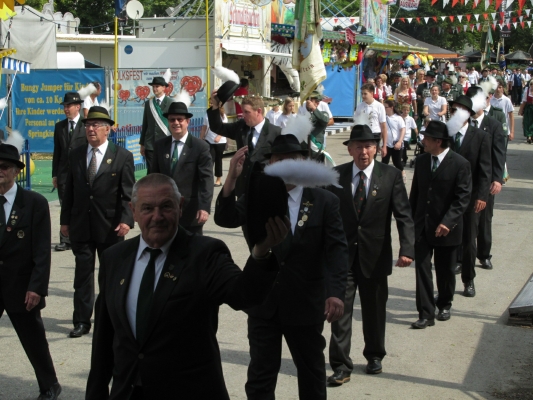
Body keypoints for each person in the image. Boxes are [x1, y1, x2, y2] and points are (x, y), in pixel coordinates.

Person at [86, 173, 289, 399]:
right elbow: (104, 339)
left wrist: (261, 253)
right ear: (133, 211)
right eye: (147, 208)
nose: (157, 216)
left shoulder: (205, 253)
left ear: (180, 206)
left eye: (166, 206)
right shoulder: (114, 258)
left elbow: (243, 294)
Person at [215, 135, 349, 399]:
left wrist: (335, 293)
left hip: (306, 303)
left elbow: (336, 251)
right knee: (261, 376)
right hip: (264, 302)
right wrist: (231, 178)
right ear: (271, 165)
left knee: (311, 373)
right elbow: (225, 218)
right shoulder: (256, 198)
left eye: (293, 160)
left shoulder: (325, 201)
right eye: (279, 160)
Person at [327, 124, 414, 385]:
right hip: (342, 258)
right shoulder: (336, 176)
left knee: (374, 310)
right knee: (339, 312)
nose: (363, 152)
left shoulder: (390, 175)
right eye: (358, 147)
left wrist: (407, 249)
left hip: (375, 256)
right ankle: (341, 365)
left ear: (376, 149)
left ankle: (374, 355)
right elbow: (326, 216)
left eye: (368, 146)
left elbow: (403, 215)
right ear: (350, 150)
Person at [60, 106, 135, 338]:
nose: (90, 129)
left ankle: (111, 318)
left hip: (110, 226)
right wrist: (65, 221)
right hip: (81, 224)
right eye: (88, 125)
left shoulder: (122, 156)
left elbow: (128, 193)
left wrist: (127, 220)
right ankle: (82, 320)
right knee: (82, 275)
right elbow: (70, 190)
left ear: (107, 129)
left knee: (111, 276)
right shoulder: (76, 154)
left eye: (95, 125)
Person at [0, 143, 62, 400]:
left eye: (5, 167)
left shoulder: (34, 203)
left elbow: (42, 251)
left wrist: (37, 287)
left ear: (16, 171)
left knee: (33, 340)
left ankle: (50, 385)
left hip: (21, 286)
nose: (0, 171)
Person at [410, 121, 472, 329]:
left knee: (445, 271)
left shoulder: (460, 164)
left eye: (427, 138)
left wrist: (448, 222)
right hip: (423, 226)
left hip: (447, 229)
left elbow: (462, 198)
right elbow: (416, 194)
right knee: (422, 270)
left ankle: (444, 303)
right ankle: (425, 313)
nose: (423, 141)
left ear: (438, 141)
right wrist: (410, 223)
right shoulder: (421, 161)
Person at [448, 96, 492, 297]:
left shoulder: (480, 136)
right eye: (453, 110)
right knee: (447, 243)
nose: (456, 114)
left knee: (468, 241)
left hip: (471, 198)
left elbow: (485, 170)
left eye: (460, 110)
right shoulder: (445, 134)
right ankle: (446, 286)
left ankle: (468, 280)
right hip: (448, 197)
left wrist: (482, 196)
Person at [151, 101, 213, 235]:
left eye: (180, 119)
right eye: (172, 119)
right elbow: (153, 178)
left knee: (192, 247)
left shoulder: (200, 147)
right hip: (164, 212)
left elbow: (206, 180)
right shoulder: (160, 145)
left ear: (187, 121)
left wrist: (204, 207)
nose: (176, 123)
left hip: (190, 212)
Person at [466, 87, 506, 273]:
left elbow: (499, 154)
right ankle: (462, 257)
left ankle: (483, 254)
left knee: (484, 219)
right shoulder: (461, 123)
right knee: (464, 219)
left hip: (486, 180)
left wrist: (497, 179)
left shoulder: (493, 125)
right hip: (464, 180)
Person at [207, 94, 281, 196]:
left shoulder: (275, 132)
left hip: (265, 189)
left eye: (247, 112)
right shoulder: (241, 127)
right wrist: (215, 106)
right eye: (242, 111)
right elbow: (217, 127)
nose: (243, 115)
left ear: (258, 111)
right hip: (243, 190)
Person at [52, 92, 87, 252]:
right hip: (64, 174)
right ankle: (65, 239)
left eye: (69, 106)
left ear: (78, 107)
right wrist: (55, 174)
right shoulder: (59, 126)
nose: (66, 109)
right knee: (65, 205)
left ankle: (78, 236)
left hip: (80, 173)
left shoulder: (85, 126)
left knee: (79, 205)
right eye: (65, 106)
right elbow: (57, 152)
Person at [140, 76, 172, 173]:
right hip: (150, 143)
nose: (154, 88)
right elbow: (145, 124)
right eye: (153, 86)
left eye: (157, 86)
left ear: (164, 87)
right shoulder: (148, 103)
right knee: (152, 171)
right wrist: (142, 144)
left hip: (166, 142)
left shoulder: (170, 103)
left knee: (164, 169)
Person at [353, 83, 388, 157]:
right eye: (362, 94)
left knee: (371, 157)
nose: (363, 96)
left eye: (365, 94)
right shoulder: (359, 106)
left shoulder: (379, 106)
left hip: (374, 134)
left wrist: (384, 145)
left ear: (372, 93)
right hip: (362, 134)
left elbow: (383, 126)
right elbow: (356, 123)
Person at [201, 96, 227, 187]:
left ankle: (218, 179)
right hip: (209, 140)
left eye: (212, 102)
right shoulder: (207, 114)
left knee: (218, 160)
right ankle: (208, 179)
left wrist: (219, 136)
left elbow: (224, 127)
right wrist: (201, 139)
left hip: (220, 142)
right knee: (209, 160)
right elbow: (204, 128)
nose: (211, 104)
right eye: (210, 103)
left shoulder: (222, 115)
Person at [298, 91, 330, 160]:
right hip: (304, 151)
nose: (317, 103)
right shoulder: (303, 114)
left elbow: (325, 121)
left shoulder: (322, 114)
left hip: (316, 150)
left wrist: (313, 108)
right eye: (313, 101)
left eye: (317, 101)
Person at [382, 100, 407, 183]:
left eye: (386, 107)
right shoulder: (383, 118)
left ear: (391, 108)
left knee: (397, 162)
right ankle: (383, 178)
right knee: (384, 162)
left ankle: (402, 173)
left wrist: (400, 141)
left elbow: (403, 130)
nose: (384, 109)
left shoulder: (398, 118)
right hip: (386, 144)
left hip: (396, 143)